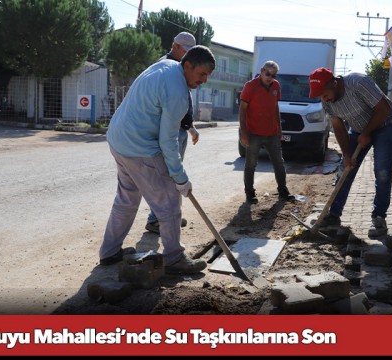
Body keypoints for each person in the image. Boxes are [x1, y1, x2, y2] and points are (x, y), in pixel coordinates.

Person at [99, 45, 216, 275]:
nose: (203, 81)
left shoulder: (166, 65)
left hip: (118, 139)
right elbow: (168, 141)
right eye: (201, 74)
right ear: (188, 65)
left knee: (126, 199)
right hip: (140, 147)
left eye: (207, 76)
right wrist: (180, 178)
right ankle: (174, 258)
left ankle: (109, 252)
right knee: (170, 203)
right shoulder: (178, 93)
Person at [308, 67, 392, 238]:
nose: (323, 99)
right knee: (345, 168)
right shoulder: (327, 100)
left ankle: (379, 217)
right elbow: (338, 126)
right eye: (320, 96)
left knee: (382, 172)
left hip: (386, 125)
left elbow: (384, 108)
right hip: (358, 129)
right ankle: (333, 215)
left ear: (334, 83)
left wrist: (367, 133)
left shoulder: (358, 82)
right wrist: (347, 155)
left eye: (324, 94)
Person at [145, 31, 199, 234]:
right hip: (168, 131)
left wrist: (190, 125)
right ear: (175, 45)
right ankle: (157, 219)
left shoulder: (181, 67)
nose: (187, 57)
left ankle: (167, 216)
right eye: (185, 51)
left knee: (170, 177)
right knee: (168, 177)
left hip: (179, 129)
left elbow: (184, 100)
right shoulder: (165, 68)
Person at [239, 60, 295, 205]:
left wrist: (279, 128)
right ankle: (250, 194)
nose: (270, 77)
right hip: (253, 133)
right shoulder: (250, 86)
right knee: (251, 164)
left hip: (272, 133)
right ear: (262, 70)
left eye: (273, 74)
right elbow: (242, 109)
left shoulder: (276, 86)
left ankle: (283, 191)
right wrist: (244, 133)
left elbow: (275, 107)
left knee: (279, 163)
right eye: (268, 73)